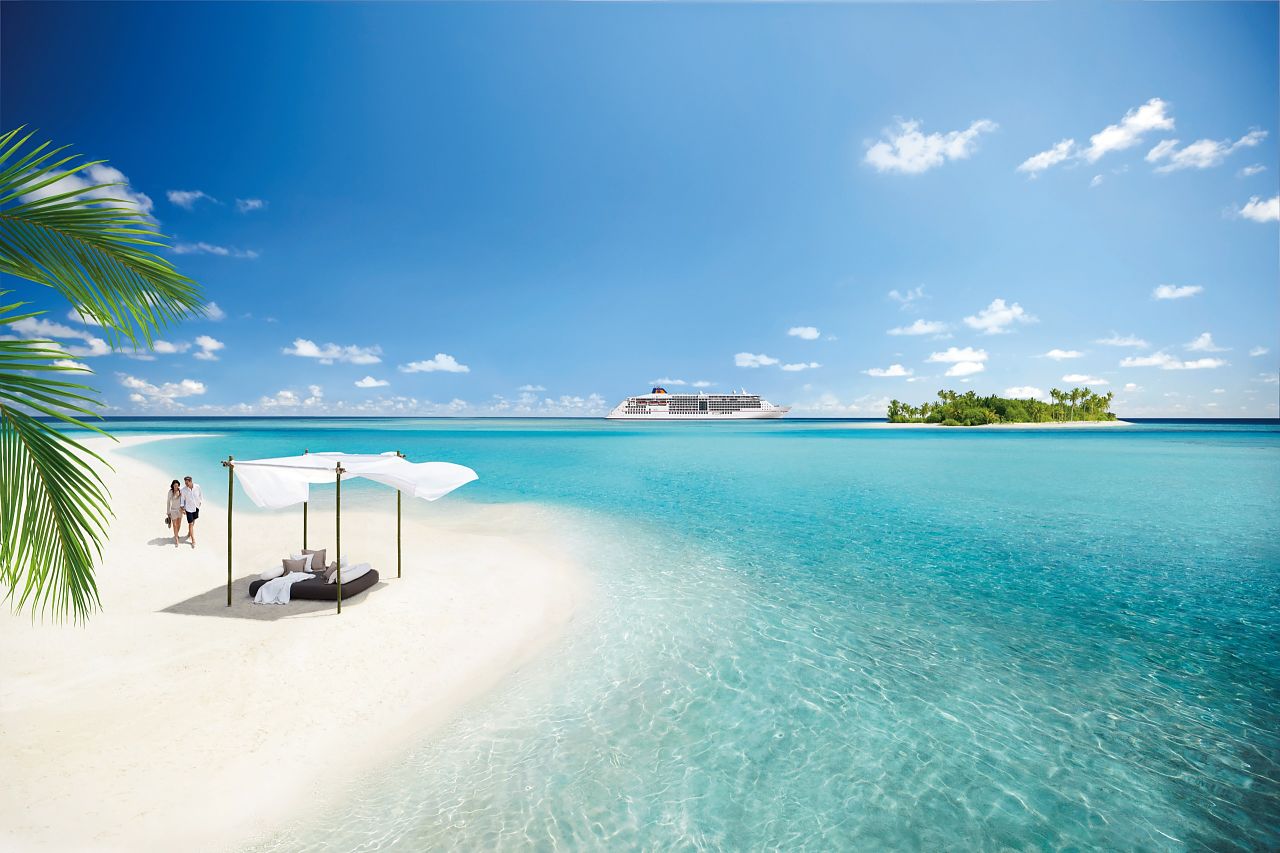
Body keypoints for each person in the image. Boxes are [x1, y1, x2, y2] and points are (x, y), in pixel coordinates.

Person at [180, 475, 203, 548]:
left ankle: (190, 532)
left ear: (191, 481)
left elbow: (200, 494)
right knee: (190, 523)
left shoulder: (197, 486)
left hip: (196, 507)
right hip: (188, 509)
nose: (186, 484)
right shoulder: (183, 490)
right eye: (185, 483)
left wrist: (200, 502)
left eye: (187, 483)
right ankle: (193, 540)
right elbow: (182, 500)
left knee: (193, 521)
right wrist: (182, 508)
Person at [165, 480, 183, 547]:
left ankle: (176, 534)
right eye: (174, 485)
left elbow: (184, 500)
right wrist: (168, 512)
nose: (176, 487)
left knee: (179, 524)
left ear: (178, 486)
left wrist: (184, 509)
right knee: (174, 525)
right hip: (173, 510)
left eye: (177, 485)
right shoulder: (170, 492)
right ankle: (176, 539)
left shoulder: (181, 491)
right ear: (173, 485)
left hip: (180, 510)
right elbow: (168, 502)